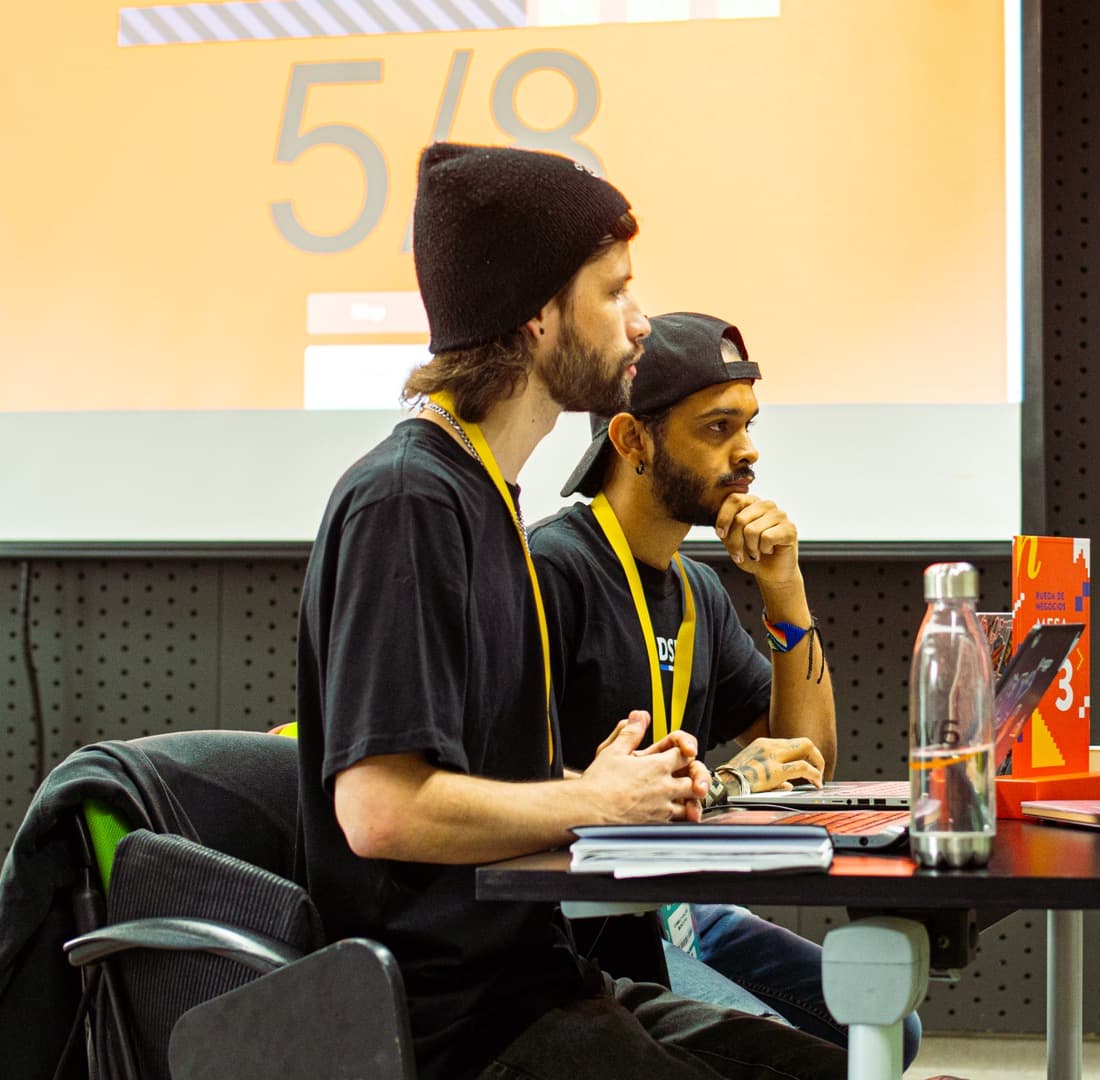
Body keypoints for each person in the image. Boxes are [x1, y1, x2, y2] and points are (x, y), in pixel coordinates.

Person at [296, 142, 845, 1080]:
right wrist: (591, 800)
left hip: (541, 979)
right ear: (539, 316)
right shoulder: (410, 502)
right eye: (615, 294)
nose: (639, 326)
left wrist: (613, 789)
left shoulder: (486, 497)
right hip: (456, 1029)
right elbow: (379, 810)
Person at [530, 311, 922, 1062]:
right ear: (631, 440)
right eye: (717, 429)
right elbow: (524, 784)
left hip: (677, 907)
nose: (747, 453)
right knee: (811, 1059)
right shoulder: (555, 570)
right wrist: (727, 783)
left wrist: (786, 591)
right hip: (587, 926)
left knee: (888, 1030)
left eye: (748, 425)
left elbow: (807, 757)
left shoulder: (697, 588)